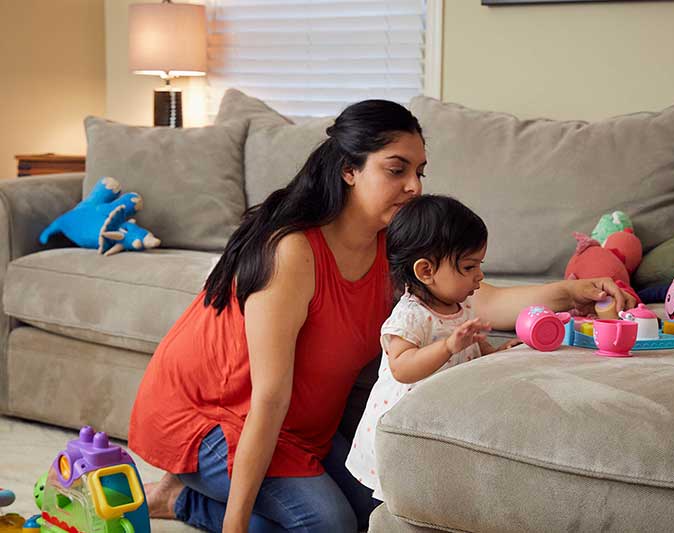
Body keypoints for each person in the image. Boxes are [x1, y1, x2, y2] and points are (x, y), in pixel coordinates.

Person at [128, 99, 637, 533]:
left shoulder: (391, 246)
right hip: (213, 417)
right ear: (349, 169)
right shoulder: (292, 252)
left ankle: (197, 494)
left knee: (374, 509)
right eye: (397, 169)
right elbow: (267, 397)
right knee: (328, 525)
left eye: (419, 172)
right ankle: (181, 499)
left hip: (298, 427)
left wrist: (574, 291)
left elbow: (476, 299)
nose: (414, 185)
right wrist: (234, 527)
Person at [345, 194, 522, 500]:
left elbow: (474, 351)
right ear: (426, 271)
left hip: (441, 416)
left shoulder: (460, 305)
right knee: (405, 494)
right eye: (469, 267)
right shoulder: (410, 316)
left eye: (480, 264)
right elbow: (402, 368)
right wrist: (448, 347)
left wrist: (499, 354)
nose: (480, 275)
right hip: (404, 425)